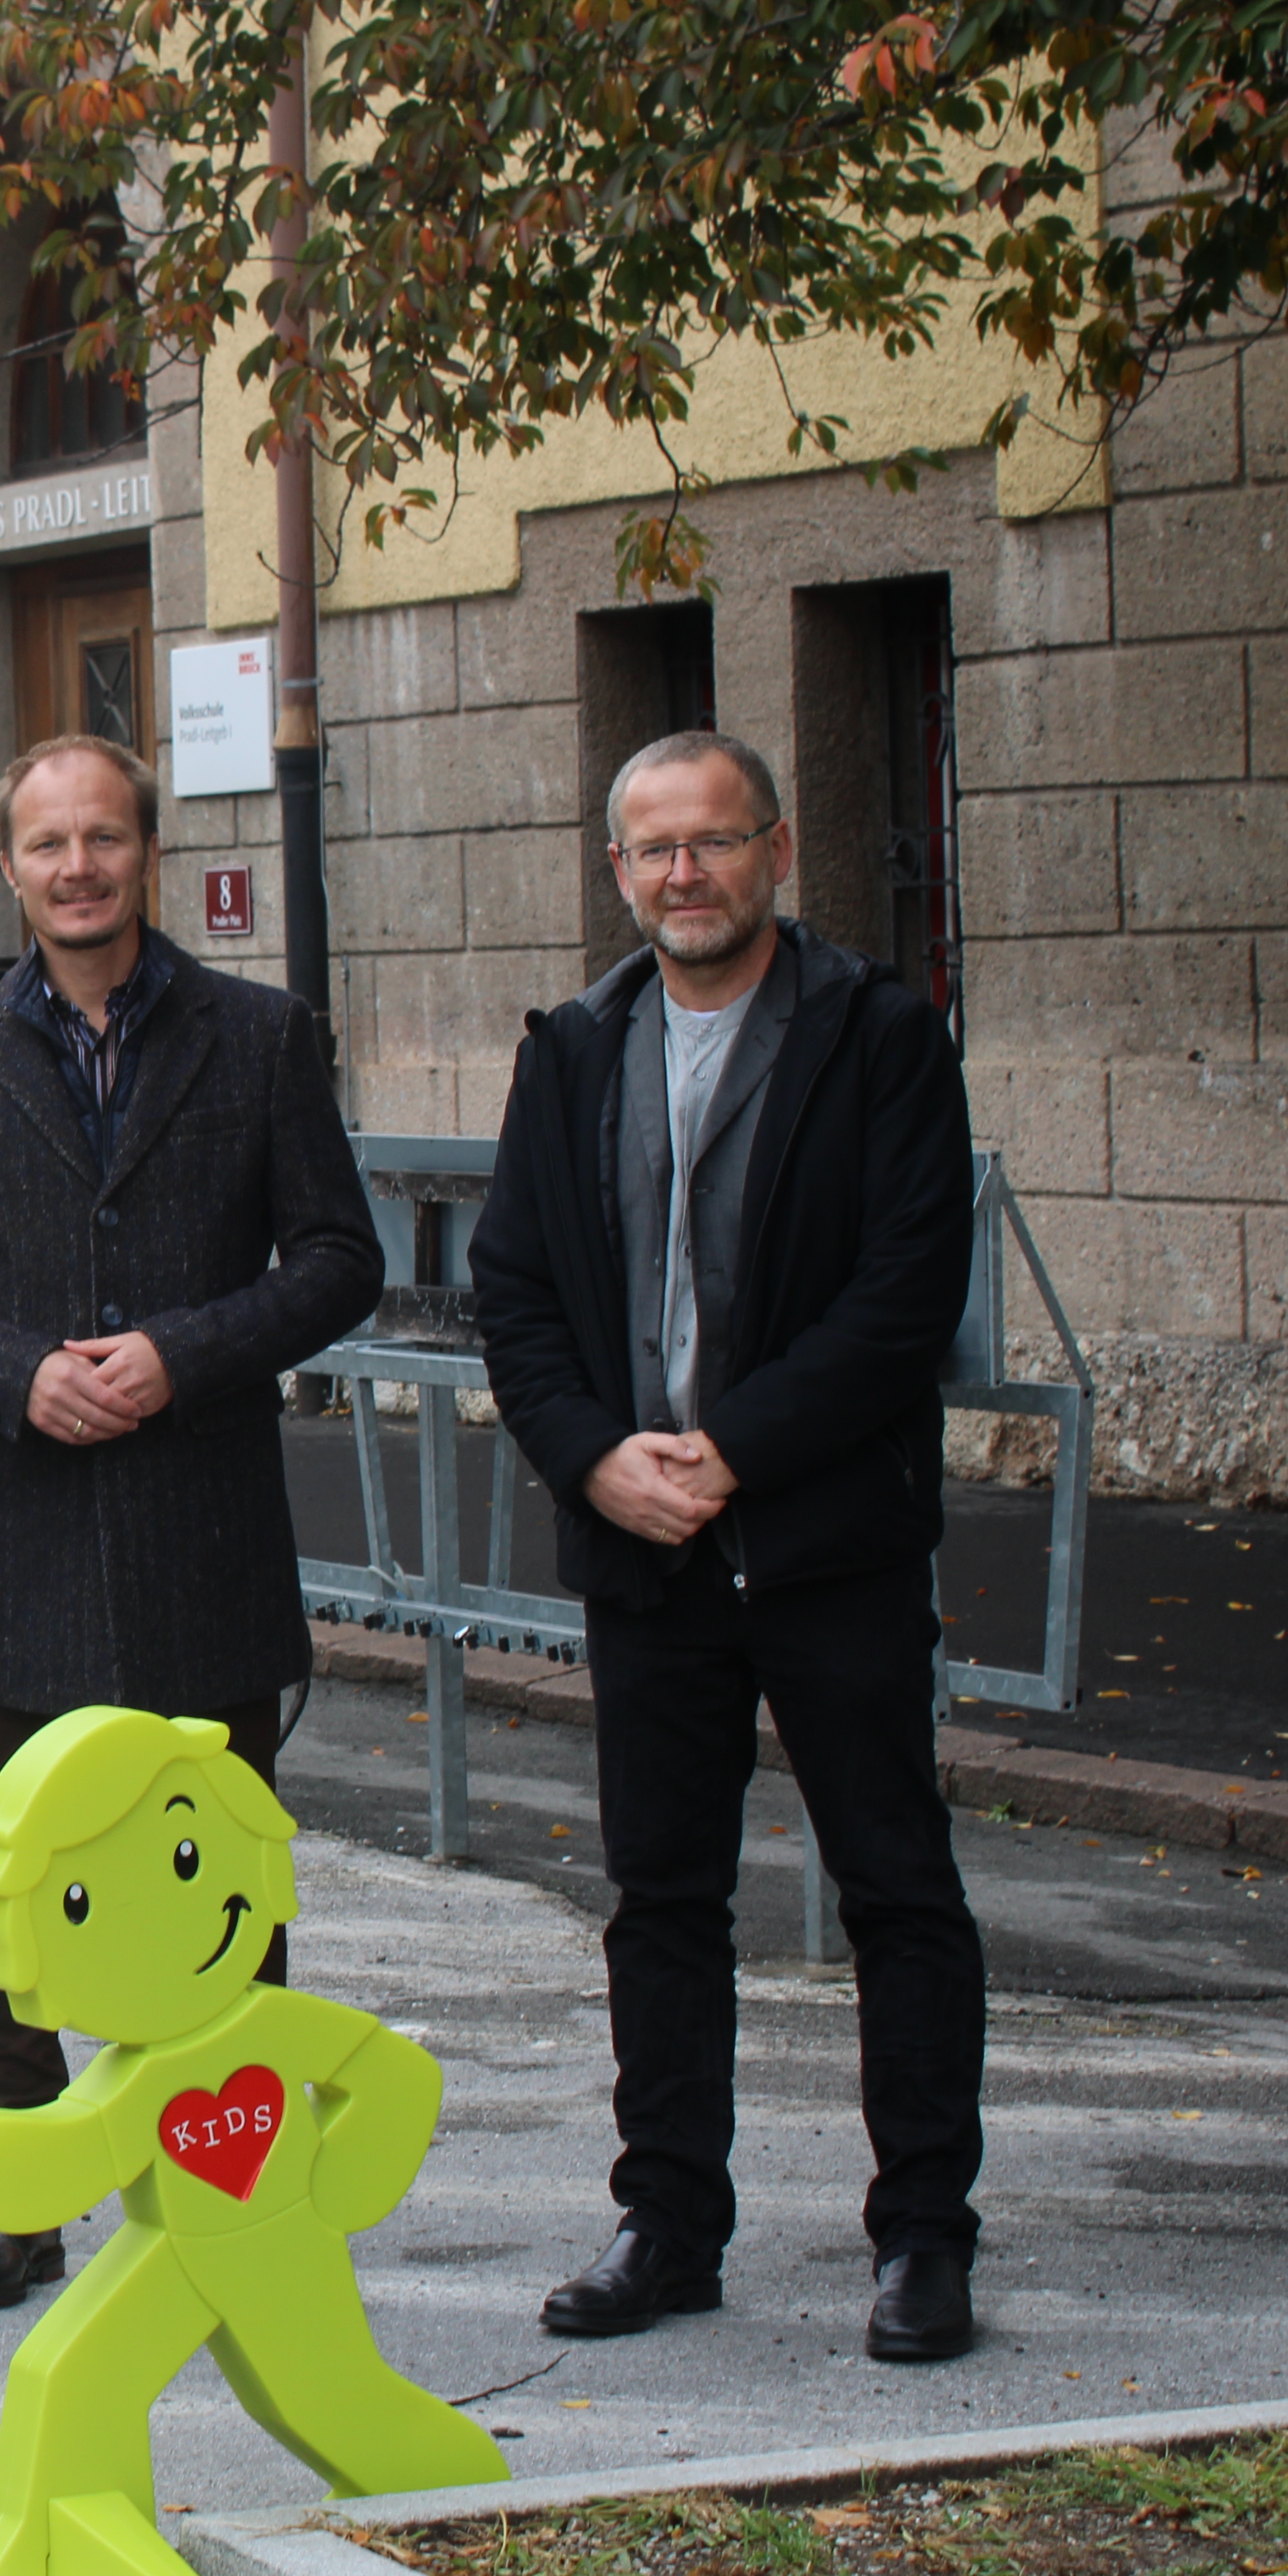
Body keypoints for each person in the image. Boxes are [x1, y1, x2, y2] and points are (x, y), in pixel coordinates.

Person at [467, 727, 987, 2366]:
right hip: (646, 1553)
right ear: (616, 870)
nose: (682, 874)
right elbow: (517, 1290)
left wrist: (735, 1448)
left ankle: (922, 2239)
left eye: (712, 841)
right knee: (662, 1901)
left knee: (897, 1891)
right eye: (651, 849)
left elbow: (903, 1294)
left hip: (825, 1543)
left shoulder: (879, 1038)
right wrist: (591, 1458)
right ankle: (670, 2223)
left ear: (775, 849)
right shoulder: (572, 1048)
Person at [0, 731, 380, 2313]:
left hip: (200, 1515)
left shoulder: (264, 1038)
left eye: (103, 837)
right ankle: (23, 2182)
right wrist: (15, 1373)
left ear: (146, 849)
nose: (76, 867)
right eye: (46, 842)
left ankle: (231, 2180)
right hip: (21, 1523)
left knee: (222, 1866)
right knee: (8, 1872)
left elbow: (339, 1256)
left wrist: (181, 1353)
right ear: (4, 866)